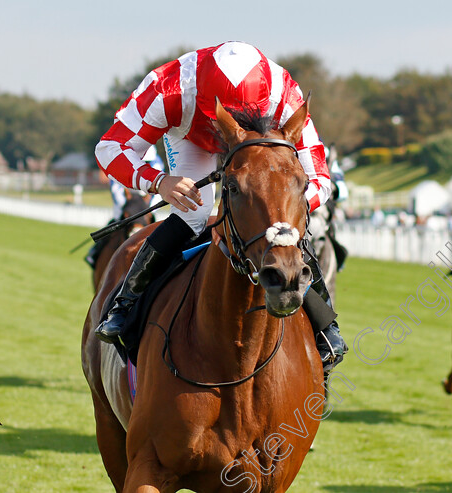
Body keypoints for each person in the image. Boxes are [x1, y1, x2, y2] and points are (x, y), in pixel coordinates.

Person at [92, 41, 346, 371]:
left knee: (284, 222)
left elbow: (321, 179)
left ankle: (326, 325)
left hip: (259, 145)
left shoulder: (284, 93)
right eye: (226, 120)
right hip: (191, 139)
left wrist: (285, 213)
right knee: (194, 213)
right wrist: (159, 182)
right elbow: (110, 147)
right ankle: (125, 305)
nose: (232, 131)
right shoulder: (169, 90)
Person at [84, 145, 164, 269]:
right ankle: (95, 253)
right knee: (111, 228)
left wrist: (148, 208)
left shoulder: (156, 162)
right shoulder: (122, 159)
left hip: (147, 208)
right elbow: (116, 188)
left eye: (145, 161)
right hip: (126, 208)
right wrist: (127, 207)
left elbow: (161, 191)